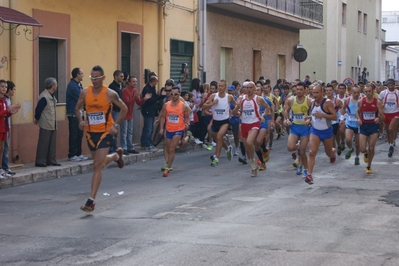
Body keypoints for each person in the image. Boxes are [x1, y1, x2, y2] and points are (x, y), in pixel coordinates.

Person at [76, 65, 127, 212]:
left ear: (103, 78)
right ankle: (116, 156)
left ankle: (91, 201)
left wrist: (116, 125)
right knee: (99, 163)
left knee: (97, 165)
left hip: (106, 131)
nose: (94, 81)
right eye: (92, 78)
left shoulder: (110, 93)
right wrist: (80, 120)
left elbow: (124, 108)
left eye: (97, 78)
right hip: (91, 133)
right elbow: (78, 108)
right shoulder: (85, 92)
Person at [305, 84, 337, 185]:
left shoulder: (327, 103)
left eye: (317, 93)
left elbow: (334, 117)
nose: (315, 95)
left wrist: (322, 115)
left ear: (322, 93)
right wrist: (308, 119)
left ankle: (333, 152)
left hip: (326, 131)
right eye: (313, 93)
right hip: (315, 131)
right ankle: (309, 175)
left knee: (328, 153)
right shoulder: (312, 102)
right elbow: (312, 114)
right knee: (311, 152)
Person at [237, 81, 270, 176]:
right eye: (247, 88)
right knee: (247, 149)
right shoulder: (241, 98)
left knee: (249, 142)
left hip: (254, 123)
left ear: (254, 89)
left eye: (251, 88)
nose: (248, 89)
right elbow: (237, 110)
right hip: (244, 124)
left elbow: (267, 107)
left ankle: (260, 156)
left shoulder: (258, 99)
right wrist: (237, 111)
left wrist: (263, 115)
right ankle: (253, 164)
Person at [203, 80, 237, 167]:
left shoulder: (229, 97)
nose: (220, 87)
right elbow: (203, 107)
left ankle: (216, 158)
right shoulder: (213, 96)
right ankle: (227, 148)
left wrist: (235, 112)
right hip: (216, 121)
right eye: (219, 86)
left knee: (219, 137)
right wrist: (212, 104)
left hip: (225, 121)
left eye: (222, 86)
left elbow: (236, 105)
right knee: (219, 139)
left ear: (225, 87)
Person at [159, 86, 191, 177]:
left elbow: (187, 117)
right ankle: (187, 137)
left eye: (175, 94)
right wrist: (161, 128)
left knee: (172, 148)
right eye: (172, 94)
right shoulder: (166, 105)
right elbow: (163, 117)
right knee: (170, 148)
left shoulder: (183, 106)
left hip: (179, 129)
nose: (173, 96)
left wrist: (187, 124)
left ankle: (167, 168)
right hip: (169, 129)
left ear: (179, 94)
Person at [283, 82, 312, 178]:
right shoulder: (291, 100)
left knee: (303, 152)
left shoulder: (309, 101)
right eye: (297, 89)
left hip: (305, 128)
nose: (299, 91)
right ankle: (298, 146)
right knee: (290, 147)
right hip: (294, 127)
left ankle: (305, 170)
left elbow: (313, 113)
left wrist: (309, 119)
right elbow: (286, 110)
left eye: (301, 89)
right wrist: (286, 119)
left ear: (305, 90)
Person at [357, 83, 384, 174]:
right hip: (364, 126)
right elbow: (357, 111)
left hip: (373, 126)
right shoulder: (361, 101)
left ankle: (369, 166)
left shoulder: (377, 102)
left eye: (369, 91)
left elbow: (382, 115)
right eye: (366, 91)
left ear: (373, 91)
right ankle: (366, 152)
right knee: (362, 149)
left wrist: (378, 118)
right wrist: (358, 119)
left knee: (371, 147)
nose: (367, 93)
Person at [34, 78, 61, 167]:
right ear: (52, 85)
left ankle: (51, 160)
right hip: (45, 123)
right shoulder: (44, 96)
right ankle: (40, 161)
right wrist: (36, 119)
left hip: (52, 122)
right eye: (56, 84)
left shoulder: (52, 95)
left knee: (52, 143)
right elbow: (38, 110)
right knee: (43, 143)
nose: (56, 86)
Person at [121, 76, 151, 155]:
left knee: (130, 132)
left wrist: (144, 99)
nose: (135, 83)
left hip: (130, 114)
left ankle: (130, 147)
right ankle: (123, 148)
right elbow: (126, 102)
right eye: (133, 81)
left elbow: (138, 103)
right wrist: (134, 97)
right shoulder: (125, 91)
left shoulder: (135, 91)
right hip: (124, 114)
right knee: (124, 132)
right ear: (129, 82)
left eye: (136, 81)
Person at [66, 67, 88, 162]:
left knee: (80, 134)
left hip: (80, 113)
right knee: (74, 134)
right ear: (77, 75)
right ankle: (72, 154)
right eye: (81, 73)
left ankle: (78, 153)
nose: (83, 75)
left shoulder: (79, 85)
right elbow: (81, 97)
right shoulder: (72, 86)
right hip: (73, 114)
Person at [0, 80, 20, 178]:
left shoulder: (4, 100)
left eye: (5, 87)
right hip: (0, 127)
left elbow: (6, 114)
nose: (4, 88)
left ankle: (3, 168)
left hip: (5, 127)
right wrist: (7, 110)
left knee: (3, 149)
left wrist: (12, 111)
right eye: (2, 86)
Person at [141, 75, 164, 152]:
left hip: (151, 111)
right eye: (156, 81)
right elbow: (150, 100)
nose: (157, 83)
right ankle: (147, 144)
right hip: (148, 110)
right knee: (148, 128)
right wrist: (160, 96)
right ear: (153, 81)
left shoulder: (152, 88)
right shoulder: (147, 89)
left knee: (149, 128)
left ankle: (146, 142)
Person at [378, 79, 399, 157]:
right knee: (387, 130)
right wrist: (381, 106)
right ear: (387, 86)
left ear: (394, 85)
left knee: (391, 128)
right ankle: (390, 145)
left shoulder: (397, 93)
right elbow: (379, 100)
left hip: (395, 113)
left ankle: (392, 141)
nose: (391, 86)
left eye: (392, 85)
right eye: (389, 85)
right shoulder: (384, 93)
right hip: (386, 113)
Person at [108, 70, 124, 153]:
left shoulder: (120, 86)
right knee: (114, 130)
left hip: (119, 110)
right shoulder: (112, 87)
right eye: (121, 76)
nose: (123, 78)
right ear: (116, 77)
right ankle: (112, 149)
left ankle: (115, 148)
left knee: (117, 131)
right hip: (114, 111)